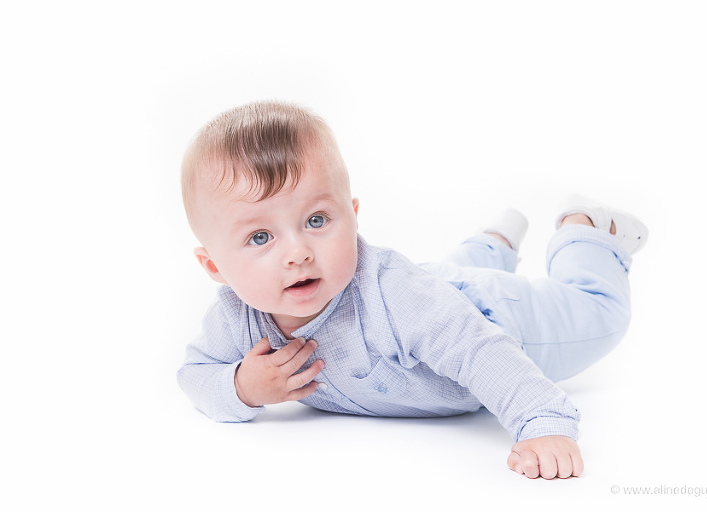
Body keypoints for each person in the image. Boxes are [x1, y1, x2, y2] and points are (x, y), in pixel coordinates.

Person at [177, 101, 647, 479]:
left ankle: (583, 232)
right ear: (214, 265)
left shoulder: (393, 297)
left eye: (317, 220)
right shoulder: (236, 318)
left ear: (352, 214)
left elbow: (479, 352)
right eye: (260, 237)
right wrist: (241, 387)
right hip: (437, 289)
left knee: (602, 316)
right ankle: (492, 243)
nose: (297, 252)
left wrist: (541, 422)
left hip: (497, 319)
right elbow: (193, 374)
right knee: (436, 284)